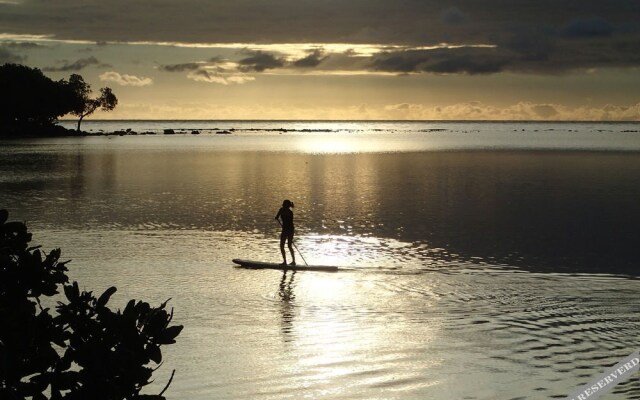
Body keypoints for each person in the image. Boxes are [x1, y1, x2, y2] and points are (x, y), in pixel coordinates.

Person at [275, 199, 296, 266]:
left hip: (288, 229)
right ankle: (288, 262)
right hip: (288, 229)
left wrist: (285, 227)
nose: (283, 205)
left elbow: (277, 217)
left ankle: (290, 262)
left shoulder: (288, 212)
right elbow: (276, 217)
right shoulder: (287, 211)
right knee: (285, 246)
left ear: (285, 205)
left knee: (286, 245)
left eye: (284, 205)